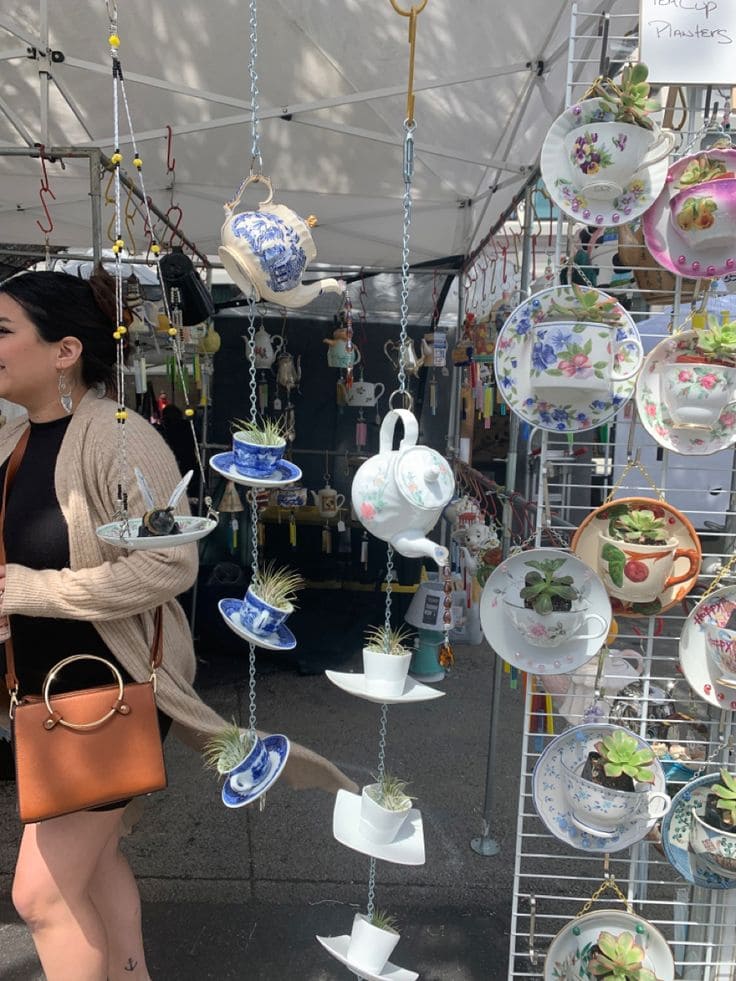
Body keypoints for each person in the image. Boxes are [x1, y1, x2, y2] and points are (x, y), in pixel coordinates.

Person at [0, 269, 354, 981]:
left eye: (2, 331)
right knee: (94, 870)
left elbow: (168, 568)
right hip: (52, 700)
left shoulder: (121, 435)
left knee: (39, 894)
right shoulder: (17, 438)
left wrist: (37, 588)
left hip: (111, 696)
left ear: (64, 349)